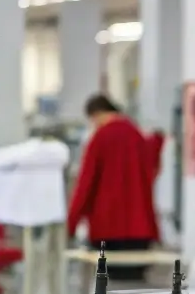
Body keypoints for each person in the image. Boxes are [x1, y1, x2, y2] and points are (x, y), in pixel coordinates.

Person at [68, 94, 159, 279]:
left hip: (107, 230)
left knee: (110, 287)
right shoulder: (137, 134)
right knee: (137, 288)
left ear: (96, 114)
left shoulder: (100, 138)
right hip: (141, 230)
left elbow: (85, 184)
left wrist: (71, 224)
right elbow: (152, 171)